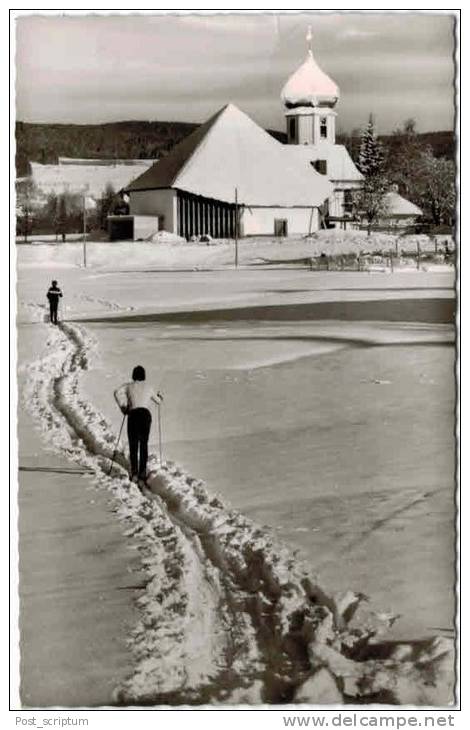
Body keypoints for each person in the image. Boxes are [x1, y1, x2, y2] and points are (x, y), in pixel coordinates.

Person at [114, 366, 163, 484]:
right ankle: (143, 472)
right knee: (144, 443)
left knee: (133, 443)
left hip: (133, 414)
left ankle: (134, 472)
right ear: (144, 375)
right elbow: (158, 401)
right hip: (145, 415)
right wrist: (160, 396)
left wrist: (123, 407)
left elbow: (116, 392)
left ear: (134, 375)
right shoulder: (149, 387)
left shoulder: (128, 386)